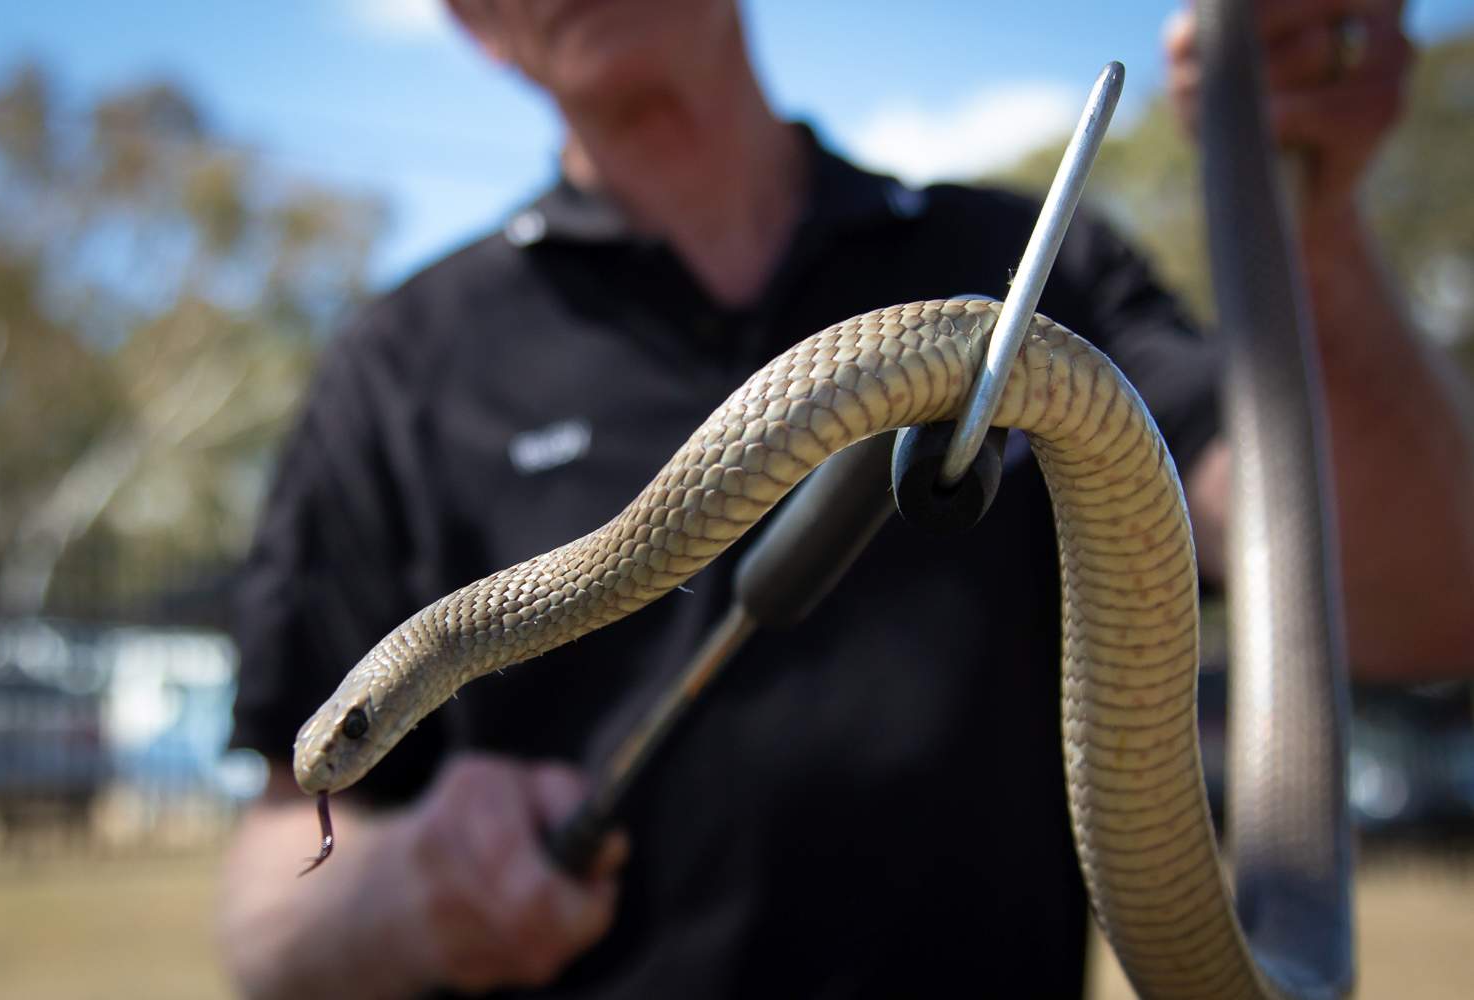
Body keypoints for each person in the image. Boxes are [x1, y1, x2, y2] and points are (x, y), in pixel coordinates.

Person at [217, 1, 1473, 997]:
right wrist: (391, 892)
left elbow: (1414, 602)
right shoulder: (397, 365)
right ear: (470, 18)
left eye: (360, 730)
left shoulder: (1028, 259)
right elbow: (265, 902)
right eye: (356, 736)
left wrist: (1305, 203)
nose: (345, 752)